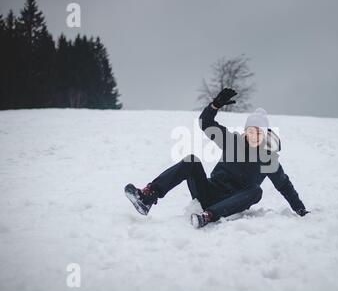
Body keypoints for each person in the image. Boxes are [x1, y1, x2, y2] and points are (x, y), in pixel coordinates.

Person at [125, 88, 309, 228]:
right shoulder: (232, 141)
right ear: (245, 132)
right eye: (251, 130)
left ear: (265, 134)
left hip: (231, 203)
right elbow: (205, 124)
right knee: (191, 161)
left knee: (256, 191)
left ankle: (208, 217)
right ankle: (147, 197)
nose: (254, 135)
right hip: (208, 193)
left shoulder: (268, 158)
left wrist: (300, 210)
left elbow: (284, 185)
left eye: (258, 132)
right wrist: (215, 105)